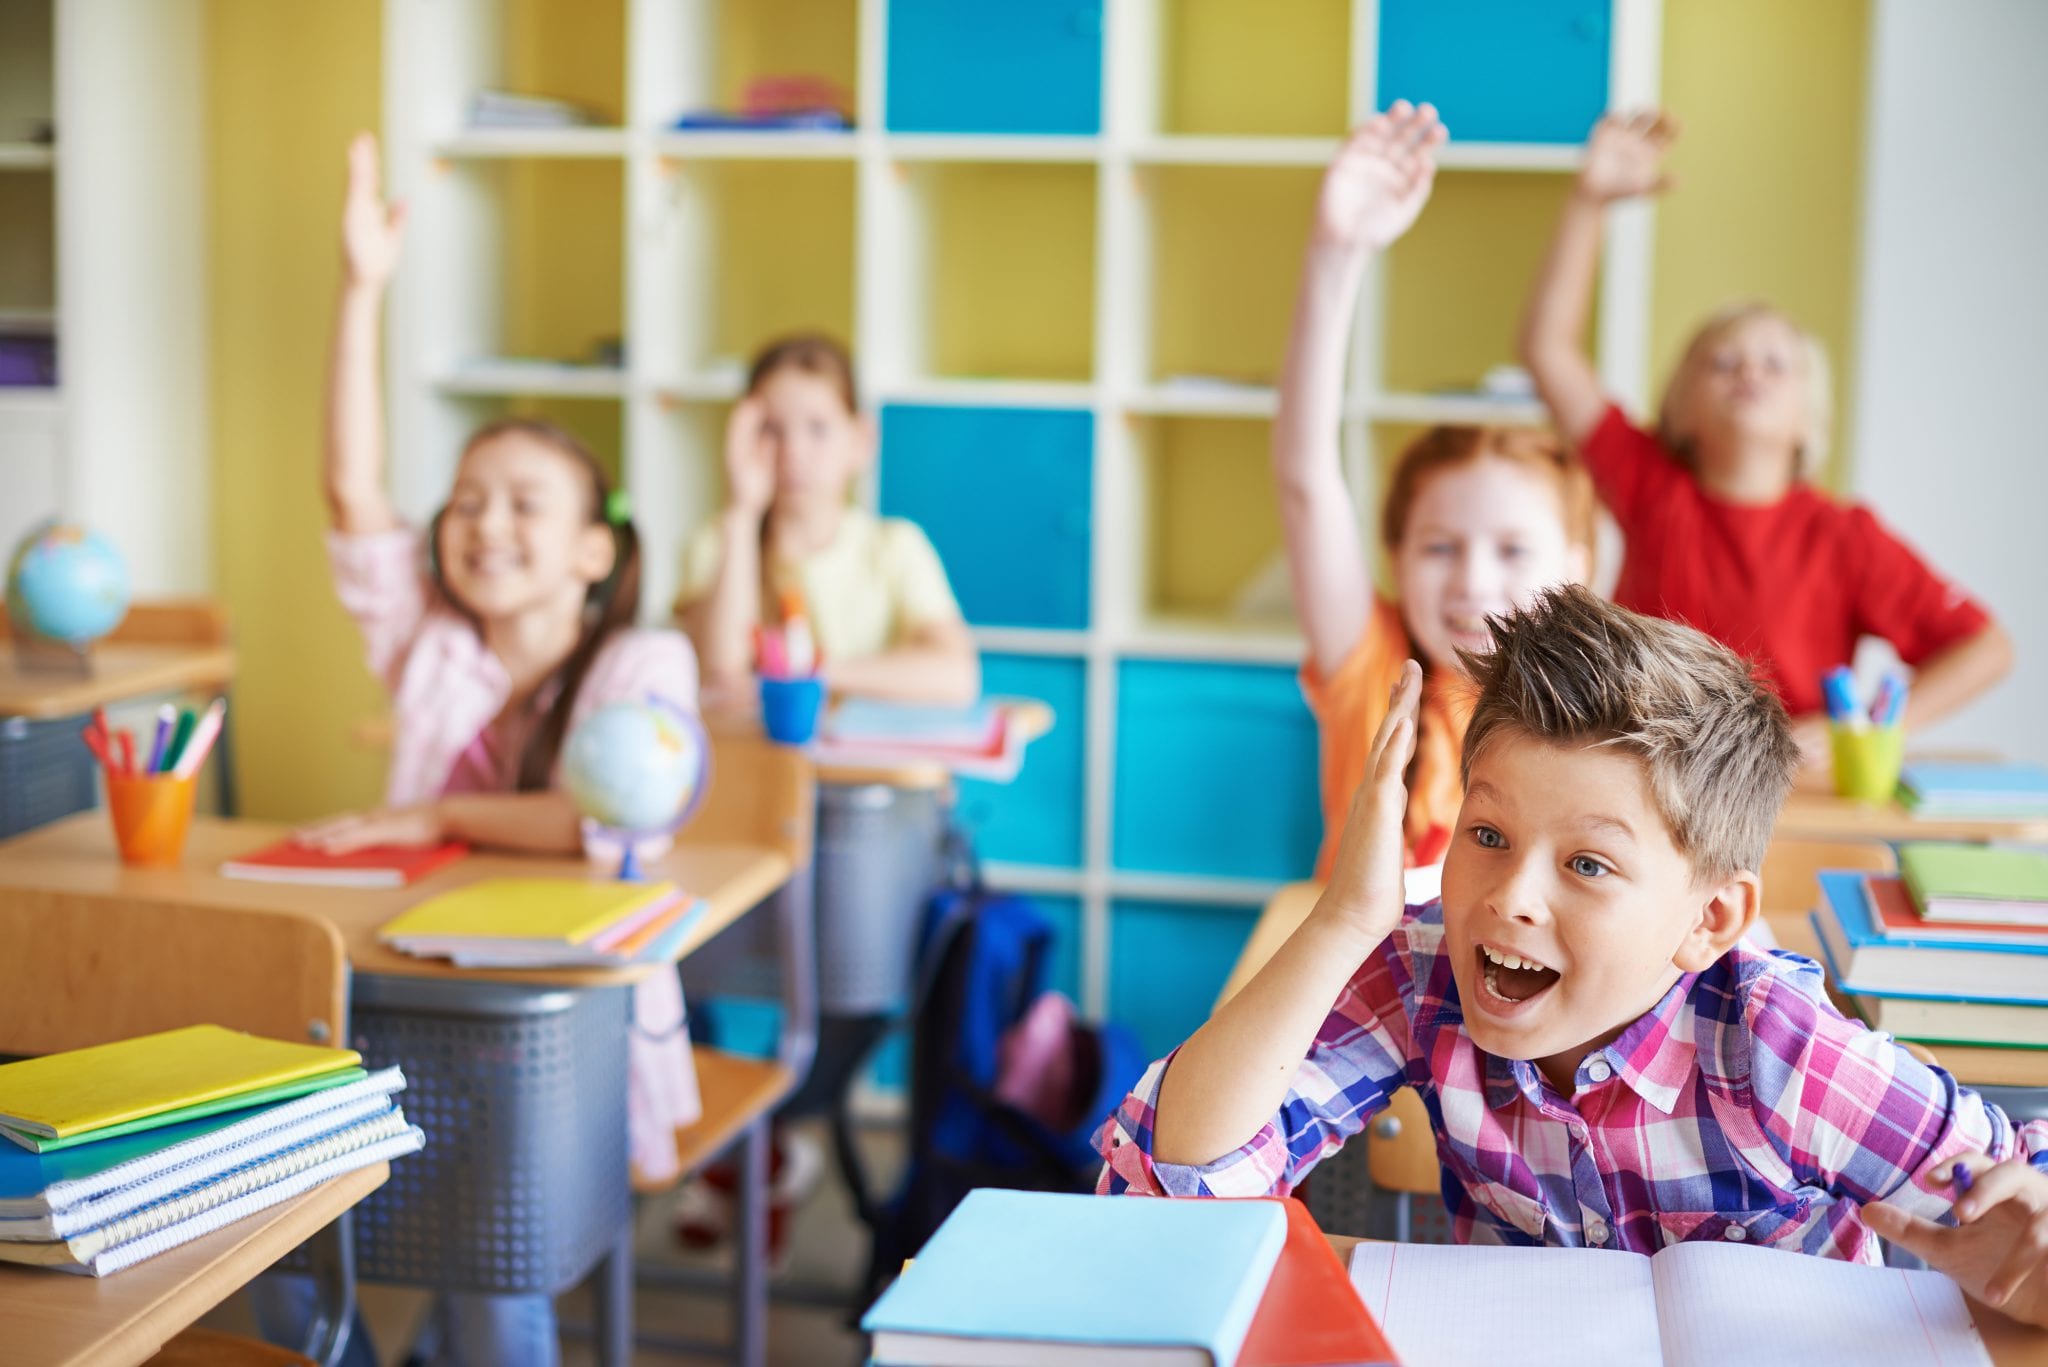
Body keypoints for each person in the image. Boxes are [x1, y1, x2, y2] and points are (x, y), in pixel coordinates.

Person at [1099, 586, 2048, 1319]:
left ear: (1709, 919)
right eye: (1488, 835)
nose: (1512, 896)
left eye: (1588, 863)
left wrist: (2027, 1272)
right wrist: (1348, 917)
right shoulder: (1422, 974)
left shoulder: (1779, 1046)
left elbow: (2020, 1200)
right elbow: (1172, 1184)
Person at [266, 132, 703, 1367]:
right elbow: (353, 495)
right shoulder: (432, 643)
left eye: (523, 503)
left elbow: (603, 820)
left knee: (486, 1265)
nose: (482, 524)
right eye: (465, 500)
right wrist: (362, 289)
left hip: (558, 1027)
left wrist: (422, 822)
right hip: (407, 994)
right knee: (274, 1245)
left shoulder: (644, 666)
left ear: (594, 550)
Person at [1518, 110, 2012, 781]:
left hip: (1777, 791)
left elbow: (1987, 648)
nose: (1748, 371)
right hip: (1647, 776)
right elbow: (1546, 349)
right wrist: (1589, 201)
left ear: (1810, 420)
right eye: (1721, 362)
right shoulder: (1650, 483)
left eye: (1776, 363)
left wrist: (1858, 729)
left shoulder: (1846, 538)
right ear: (1680, 411)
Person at [1275, 101, 1595, 877]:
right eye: (1440, 546)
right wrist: (1336, 251)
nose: (1473, 580)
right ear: (1394, 554)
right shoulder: (1376, 675)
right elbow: (1306, 478)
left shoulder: (1598, 715)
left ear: (1580, 565)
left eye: (1514, 548)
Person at [675, 333, 977, 709]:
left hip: (864, 765)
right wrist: (740, 511)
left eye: (818, 428)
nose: (793, 452)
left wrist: (811, 674)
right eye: (771, 429)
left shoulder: (895, 546)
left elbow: (956, 674)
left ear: (861, 440)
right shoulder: (718, 544)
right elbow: (721, 674)